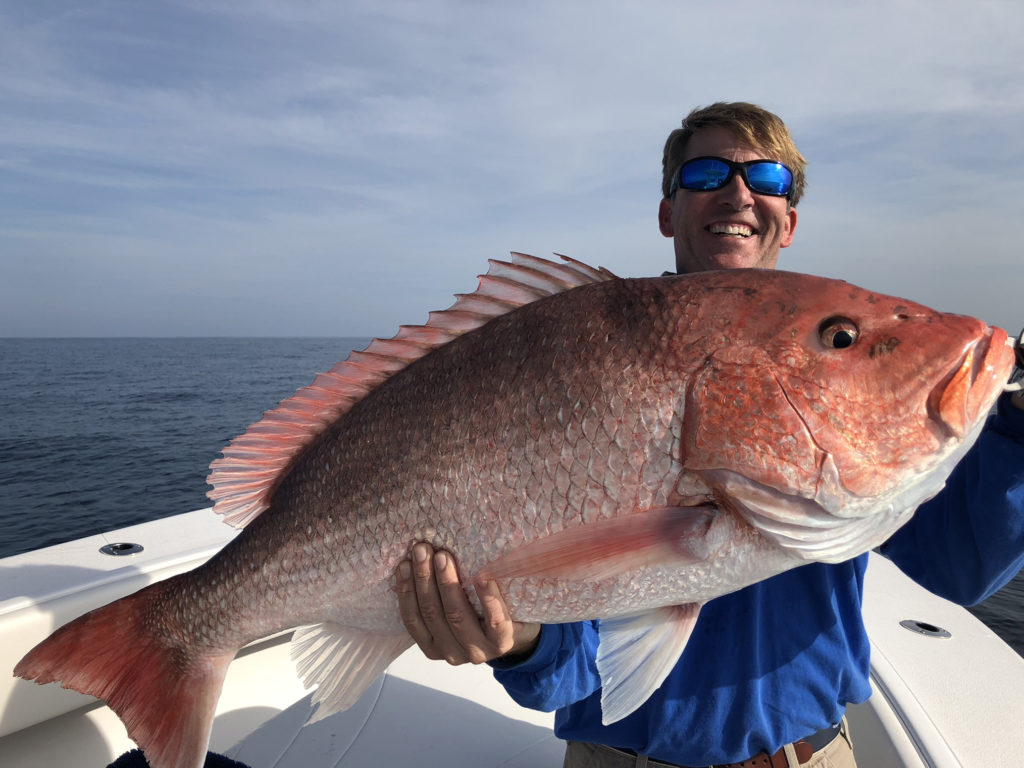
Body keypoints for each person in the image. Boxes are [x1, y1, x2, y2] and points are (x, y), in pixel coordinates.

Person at [394, 102, 1024, 768]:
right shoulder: (584, 360)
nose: (739, 193)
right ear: (668, 212)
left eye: (769, 179)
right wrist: (519, 641)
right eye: (706, 173)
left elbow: (965, 565)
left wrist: (1016, 430)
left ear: (791, 218)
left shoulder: (865, 451)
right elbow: (574, 674)